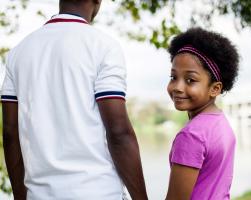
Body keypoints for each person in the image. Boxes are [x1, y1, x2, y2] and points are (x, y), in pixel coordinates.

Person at [1, 0, 148, 199]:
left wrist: (21, 196)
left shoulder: (18, 52)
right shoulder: (104, 46)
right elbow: (118, 131)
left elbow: (10, 133)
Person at [165, 27, 239, 200]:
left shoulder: (191, 135)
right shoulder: (220, 122)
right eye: (173, 77)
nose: (177, 87)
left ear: (215, 88)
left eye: (190, 80)